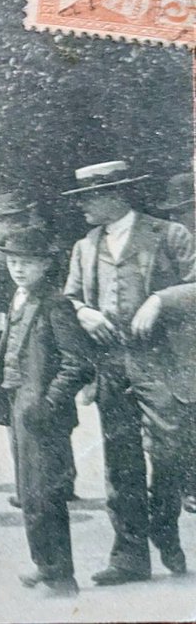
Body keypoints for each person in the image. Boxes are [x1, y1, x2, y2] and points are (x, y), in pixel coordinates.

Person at [62, 160, 196, 585]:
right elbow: (68, 298)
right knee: (121, 463)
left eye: (89, 197)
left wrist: (160, 300)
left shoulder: (169, 234)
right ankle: (129, 556)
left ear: (116, 195)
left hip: (162, 364)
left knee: (171, 451)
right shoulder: (85, 245)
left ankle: (164, 520)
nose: (82, 205)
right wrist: (83, 311)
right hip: (112, 366)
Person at [0, 226, 95, 598]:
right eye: (13, 262)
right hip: (19, 404)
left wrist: (49, 404)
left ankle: (61, 575)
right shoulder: (19, 298)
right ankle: (45, 564)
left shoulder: (55, 303)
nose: (18, 269)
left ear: (45, 265)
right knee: (29, 493)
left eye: (27, 263)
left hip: (41, 412)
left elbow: (77, 364)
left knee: (44, 494)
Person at [0, 190, 78, 508]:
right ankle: (62, 480)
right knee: (54, 410)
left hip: (15, 330)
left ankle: (29, 486)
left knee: (20, 411)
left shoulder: (4, 250)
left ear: (10, 220)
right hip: (41, 330)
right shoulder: (42, 241)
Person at [157, 172, 196, 515]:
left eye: (185, 210)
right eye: (175, 212)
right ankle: (190, 486)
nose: (179, 218)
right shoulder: (173, 241)